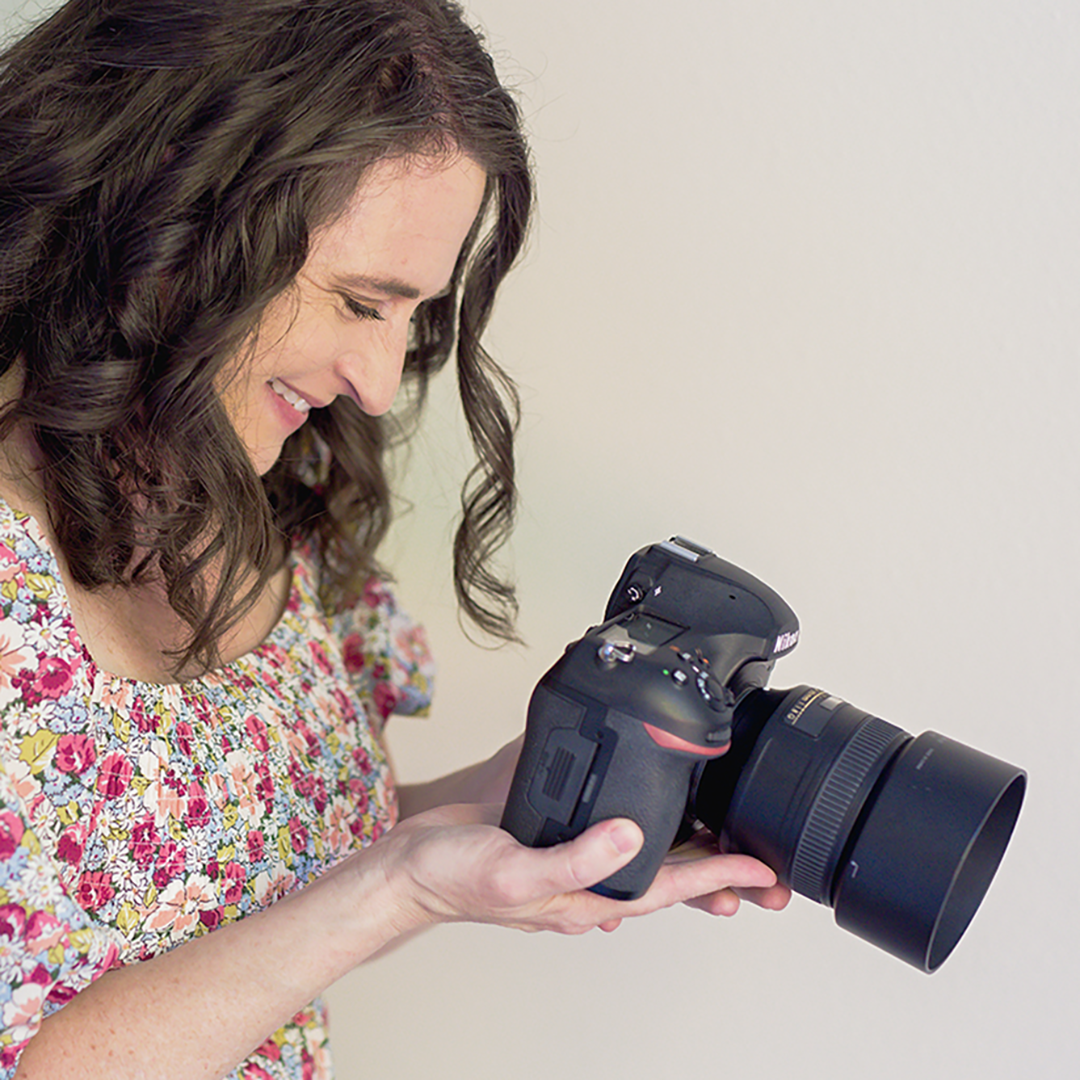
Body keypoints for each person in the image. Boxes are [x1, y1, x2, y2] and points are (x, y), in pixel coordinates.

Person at [0, 1, 790, 1076]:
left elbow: (237, 892)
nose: (376, 386)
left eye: (411, 315)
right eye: (361, 301)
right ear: (170, 209)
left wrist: (506, 804)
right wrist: (399, 892)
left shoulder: (265, 477)